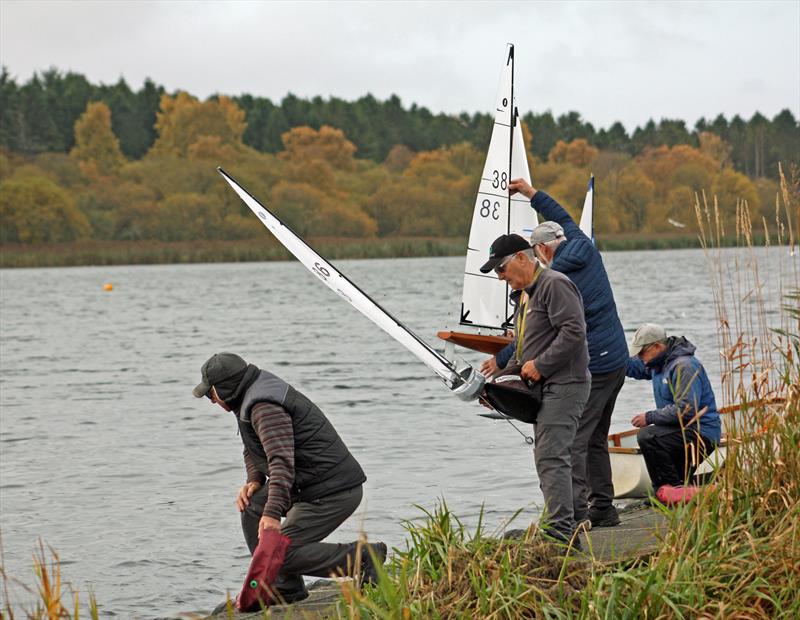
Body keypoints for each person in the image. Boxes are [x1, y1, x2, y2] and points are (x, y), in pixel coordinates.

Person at [481, 178, 629, 529]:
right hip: (616, 360)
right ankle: (603, 510)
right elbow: (563, 216)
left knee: (571, 442)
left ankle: (573, 519)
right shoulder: (582, 245)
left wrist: (501, 362)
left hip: (593, 364)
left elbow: (537, 332)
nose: (504, 277)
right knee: (592, 438)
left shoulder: (551, 279)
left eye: (503, 270)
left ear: (537, 252)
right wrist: (532, 194)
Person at [193, 352, 386, 606]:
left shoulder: (264, 407)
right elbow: (253, 446)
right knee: (252, 504)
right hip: (305, 485)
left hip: (332, 492)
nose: (211, 401)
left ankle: (364, 558)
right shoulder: (250, 396)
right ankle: (286, 587)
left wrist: (272, 514)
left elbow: (281, 461)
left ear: (227, 388)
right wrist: (254, 480)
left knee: (278, 552)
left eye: (211, 394)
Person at [479, 234, 590, 547]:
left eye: (502, 269)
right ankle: (566, 526)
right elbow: (524, 348)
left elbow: (574, 331)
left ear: (522, 258)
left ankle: (559, 532)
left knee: (551, 456)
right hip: (546, 386)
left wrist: (541, 364)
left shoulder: (555, 284)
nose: (502, 278)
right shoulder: (526, 295)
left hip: (566, 383)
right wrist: (498, 386)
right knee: (549, 455)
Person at [626, 324, 722, 502]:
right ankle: (669, 489)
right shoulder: (658, 362)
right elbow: (635, 368)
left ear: (657, 347)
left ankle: (672, 491)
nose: (640, 358)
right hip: (678, 432)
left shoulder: (684, 366)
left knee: (649, 436)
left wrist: (649, 417)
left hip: (701, 434)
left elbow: (686, 410)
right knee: (654, 435)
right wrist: (610, 355)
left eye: (641, 353)